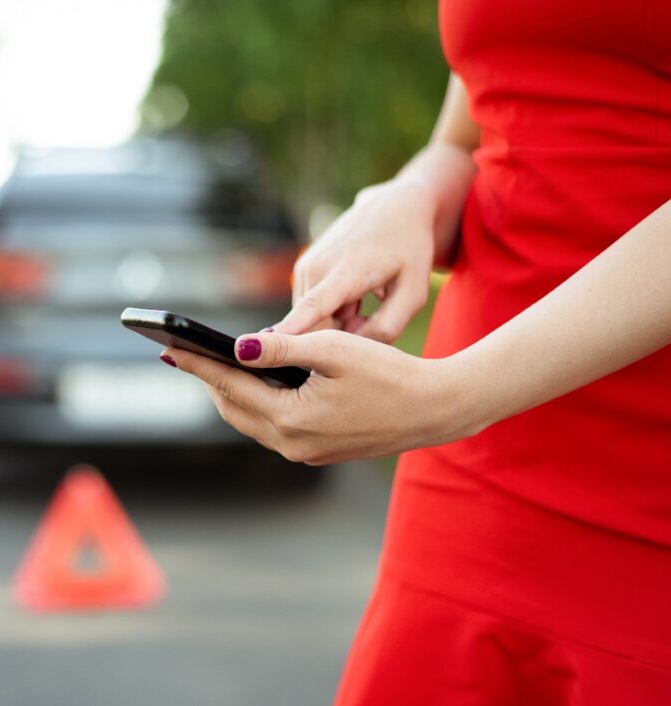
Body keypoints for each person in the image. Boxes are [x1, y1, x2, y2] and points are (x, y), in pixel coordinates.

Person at [159, 1, 671, 703]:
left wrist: (452, 396)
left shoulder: (454, 400)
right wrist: (406, 199)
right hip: (468, 486)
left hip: (639, 495)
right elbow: (474, 133)